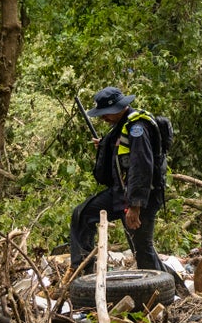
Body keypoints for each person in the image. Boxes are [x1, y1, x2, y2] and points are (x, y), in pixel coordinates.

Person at [69, 86, 165, 272]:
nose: (103, 117)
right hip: (119, 194)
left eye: (106, 113)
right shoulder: (120, 126)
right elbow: (122, 150)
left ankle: (173, 291)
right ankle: (82, 273)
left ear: (120, 107)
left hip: (141, 197)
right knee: (82, 215)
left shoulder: (138, 128)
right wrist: (105, 145)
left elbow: (141, 167)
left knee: (142, 251)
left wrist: (135, 206)